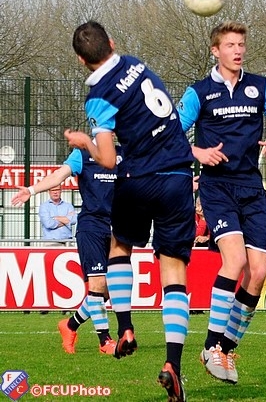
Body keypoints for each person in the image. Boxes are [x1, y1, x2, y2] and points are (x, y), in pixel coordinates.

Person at [64, 20, 194, 401]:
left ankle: (125, 328)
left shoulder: (99, 96)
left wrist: (85, 140)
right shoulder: (136, 63)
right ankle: (173, 363)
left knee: (120, 246)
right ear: (113, 43)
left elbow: (106, 158)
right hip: (178, 177)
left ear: (80, 59)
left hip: (138, 177)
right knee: (173, 270)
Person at [177, 20, 266, 385]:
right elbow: (170, 138)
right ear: (215, 50)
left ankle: (226, 347)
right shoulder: (198, 93)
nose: (238, 50)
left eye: (241, 44)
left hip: (251, 188)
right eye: (230, 44)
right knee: (234, 261)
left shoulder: (260, 87)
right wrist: (197, 150)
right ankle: (212, 345)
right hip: (216, 188)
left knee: (259, 271)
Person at [12, 145, 121, 355]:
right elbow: (58, 176)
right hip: (91, 227)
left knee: (107, 291)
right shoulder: (82, 154)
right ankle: (104, 341)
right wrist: (32, 190)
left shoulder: (124, 152)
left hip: (117, 229)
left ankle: (70, 325)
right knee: (97, 284)